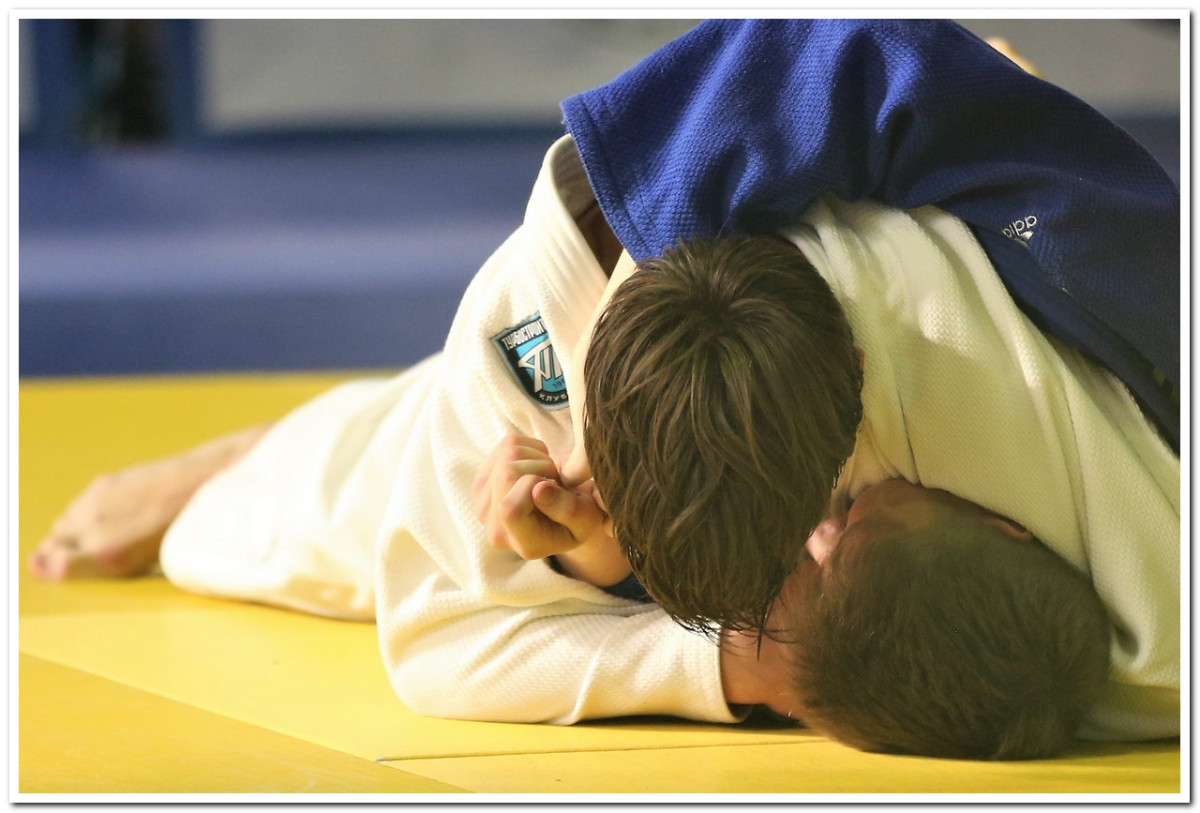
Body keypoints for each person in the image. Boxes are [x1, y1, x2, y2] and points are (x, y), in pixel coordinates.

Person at [29, 19, 1178, 750]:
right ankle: (241, 454)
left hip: (730, 367)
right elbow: (440, 645)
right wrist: (601, 547)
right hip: (612, 298)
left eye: (806, 549)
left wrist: (738, 663)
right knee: (290, 527)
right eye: (835, 531)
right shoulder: (526, 346)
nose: (824, 536)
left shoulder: (1134, 611)